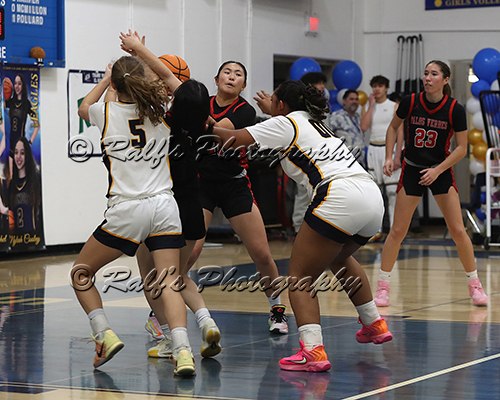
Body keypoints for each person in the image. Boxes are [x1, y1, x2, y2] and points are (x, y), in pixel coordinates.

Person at [210, 80, 393, 372]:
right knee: (340, 258)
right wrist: (272, 111)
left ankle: (312, 350)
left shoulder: (285, 123)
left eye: (273, 101)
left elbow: (231, 139)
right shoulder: (315, 123)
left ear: (281, 105)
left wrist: (201, 119)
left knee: (299, 277)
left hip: (339, 196)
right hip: (370, 197)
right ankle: (374, 323)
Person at [72, 55, 196, 376]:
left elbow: (84, 107)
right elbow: (181, 91)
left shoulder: (104, 112)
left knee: (81, 273)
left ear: (115, 84)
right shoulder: (161, 113)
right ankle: (183, 351)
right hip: (165, 206)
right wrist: (142, 54)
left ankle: (104, 334)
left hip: (128, 209)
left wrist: (106, 80)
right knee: (169, 283)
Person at [119, 31, 221, 359]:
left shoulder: (159, 122)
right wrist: (141, 51)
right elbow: (168, 78)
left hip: (162, 206)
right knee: (178, 277)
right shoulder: (203, 124)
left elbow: (156, 80)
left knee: (153, 279)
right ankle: (205, 320)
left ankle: (167, 340)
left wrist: (135, 55)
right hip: (193, 205)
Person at [376, 60, 488, 307]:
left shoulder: (455, 109)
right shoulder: (410, 101)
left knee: (458, 230)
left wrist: (438, 170)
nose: (427, 78)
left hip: (440, 170)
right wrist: (389, 157)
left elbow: (462, 148)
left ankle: (475, 285)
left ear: (445, 80)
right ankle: (382, 287)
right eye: (426, 73)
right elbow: (393, 128)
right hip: (412, 169)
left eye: (434, 74)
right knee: (397, 231)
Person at [187, 60, 289, 335]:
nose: (231, 77)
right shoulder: (203, 102)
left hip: (234, 184)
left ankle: (277, 310)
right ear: (216, 79)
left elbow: (216, 133)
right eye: (227, 72)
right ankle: (162, 305)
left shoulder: (245, 110)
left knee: (262, 254)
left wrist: (190, 108)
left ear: (243, 85)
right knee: (191, 251)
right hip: (202, 183)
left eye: (238, 74)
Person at [361, 75, 403, 242]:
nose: (376, 89)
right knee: (375, 193)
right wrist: (371, 105)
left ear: (386, 88)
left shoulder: (394, 106)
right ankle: (376, 230)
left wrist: (398, 155)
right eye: (374, 86)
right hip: (373, 149)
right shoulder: (367, 106)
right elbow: (364, 126)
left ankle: (394, 231)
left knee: (392, 192)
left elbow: (400, 132)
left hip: (389, 150)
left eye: (380, 86)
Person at [9, 137, 43, 246]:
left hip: (34, 238)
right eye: (16, 153)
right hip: (17, 241)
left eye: (22, 153)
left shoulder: (36, 180)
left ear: (27, 155)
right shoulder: (12, 185)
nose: (18, 156)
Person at [4, 74, 40, 176]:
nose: (17, 86)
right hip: (10, 143)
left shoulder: (26, 104)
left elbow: (37, 125)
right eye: (15, 83)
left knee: (21, 175)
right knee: (11, 177)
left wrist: (30, 142)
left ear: (23, 85)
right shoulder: (10, 102)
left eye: (19, 83)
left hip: (20, 144)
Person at [330, 89, 366, 168]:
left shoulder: (358, 118)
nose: (354, 101)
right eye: (351, 99)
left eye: (356, 99)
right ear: (344, 101)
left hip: (359, 163)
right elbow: (327, 135)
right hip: (343, 163)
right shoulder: (337, 116)